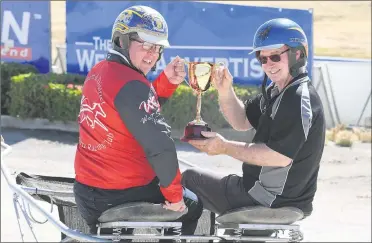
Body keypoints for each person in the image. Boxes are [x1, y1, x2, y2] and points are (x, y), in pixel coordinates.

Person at [73, 5, 203, 237]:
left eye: (157, 48)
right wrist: (174, 198)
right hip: (121, 194)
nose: (152, 55)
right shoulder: (131, 84)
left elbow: (132, 110)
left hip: (87, 193)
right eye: (145, 44)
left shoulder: (100, 70)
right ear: (122, 40)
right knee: (192, 206)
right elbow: (161, 147)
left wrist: (167, 81)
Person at [181, 18, 326, 218]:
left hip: (268, 198)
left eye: (275, 57)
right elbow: (241, 121)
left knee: (190, 180)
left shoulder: (297, 97)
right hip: (269, 194)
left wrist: (224, 147)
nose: (268, 65)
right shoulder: (278, 91)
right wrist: (225, 91)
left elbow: (278, 156)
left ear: (297, 54)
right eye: (262, 58)